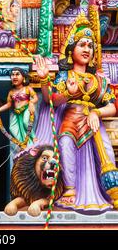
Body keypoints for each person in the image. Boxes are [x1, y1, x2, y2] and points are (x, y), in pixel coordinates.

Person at [36, 12, 117, 212]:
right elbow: (50, 100)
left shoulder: (100, 79)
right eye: (82, 45)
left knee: (106, 153)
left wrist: (96, 113)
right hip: (70, 121)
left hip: (92, 124)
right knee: (65, 146)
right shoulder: (66, 76)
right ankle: (70, 192)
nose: (87, 49)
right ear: (71, 50)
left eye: (90, 46)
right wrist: (46, 80)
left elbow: (112, 106)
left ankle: (112, 194)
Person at [0, 68, 38, 146]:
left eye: (17, 74)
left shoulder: (27, 88)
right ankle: (23, 144)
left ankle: (34, 137)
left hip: (26, 109)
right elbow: (9, 104)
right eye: (12, 75)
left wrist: (31, 103)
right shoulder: (11, 92)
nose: (14, 77)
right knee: (12, 128)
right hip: (17, 112)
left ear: (23, 78)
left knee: (25, 122)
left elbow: (35, 98)